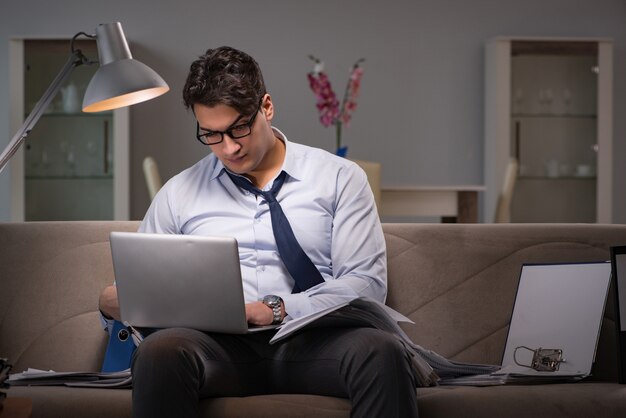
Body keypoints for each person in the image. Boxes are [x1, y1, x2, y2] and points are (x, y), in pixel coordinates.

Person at [99, 46, 418, 418]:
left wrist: (276, 309)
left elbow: (366, 283)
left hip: (317, 342)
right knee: (160, 352)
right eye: (211, 135)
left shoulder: (339, 178)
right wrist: (120, 302)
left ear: (266, 107)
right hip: (217, 350)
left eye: (239, 128)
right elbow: (145, 282)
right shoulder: (179, 192)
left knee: (382, 352)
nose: (229, 148)